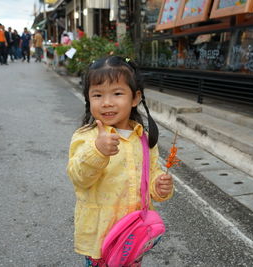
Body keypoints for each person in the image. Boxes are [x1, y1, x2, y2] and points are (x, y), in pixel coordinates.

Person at [67, 56, 174, 266]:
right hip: (100, 237)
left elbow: (150, 174)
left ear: (135, 98)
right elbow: (78, 177)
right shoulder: (85, 137)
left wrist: (159, 185)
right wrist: (98, 151)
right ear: (89, 98)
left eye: (117, 93)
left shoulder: (142, 138)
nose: (107, 102)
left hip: (133, 235)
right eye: (97, 95)